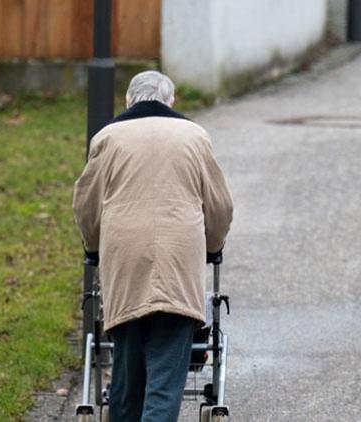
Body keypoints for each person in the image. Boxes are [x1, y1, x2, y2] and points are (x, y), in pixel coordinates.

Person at [73, 70, 233, 421]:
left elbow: (86, 203)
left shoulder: (108, 137)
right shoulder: (194, 136)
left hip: (125, 259)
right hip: (178, 259)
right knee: (164, 379)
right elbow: (220, 206)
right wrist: (212, 245)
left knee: (127, 376)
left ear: (129, 101)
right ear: (171, 101)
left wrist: (94, 246)